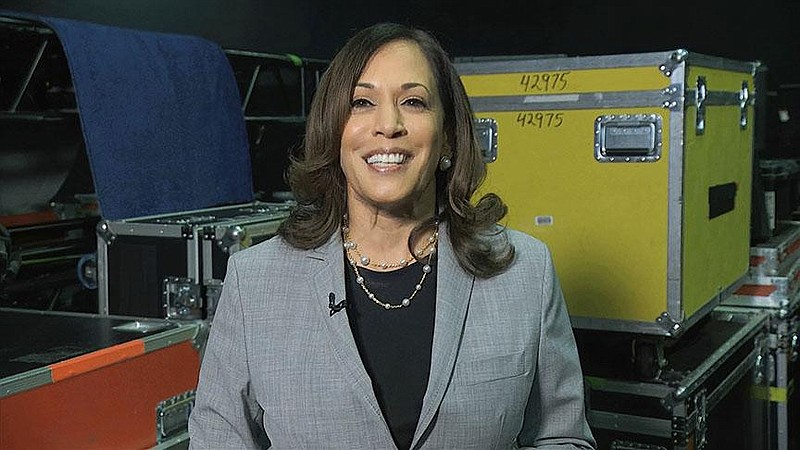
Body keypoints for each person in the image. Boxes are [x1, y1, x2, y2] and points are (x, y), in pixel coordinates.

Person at [188, 22, 596, 450]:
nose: (389, 124)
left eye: (414, 102)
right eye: (362, 102)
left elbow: (562, 437)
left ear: (449, 138)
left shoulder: (526, 272)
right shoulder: (254, 281)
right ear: (334, 131)